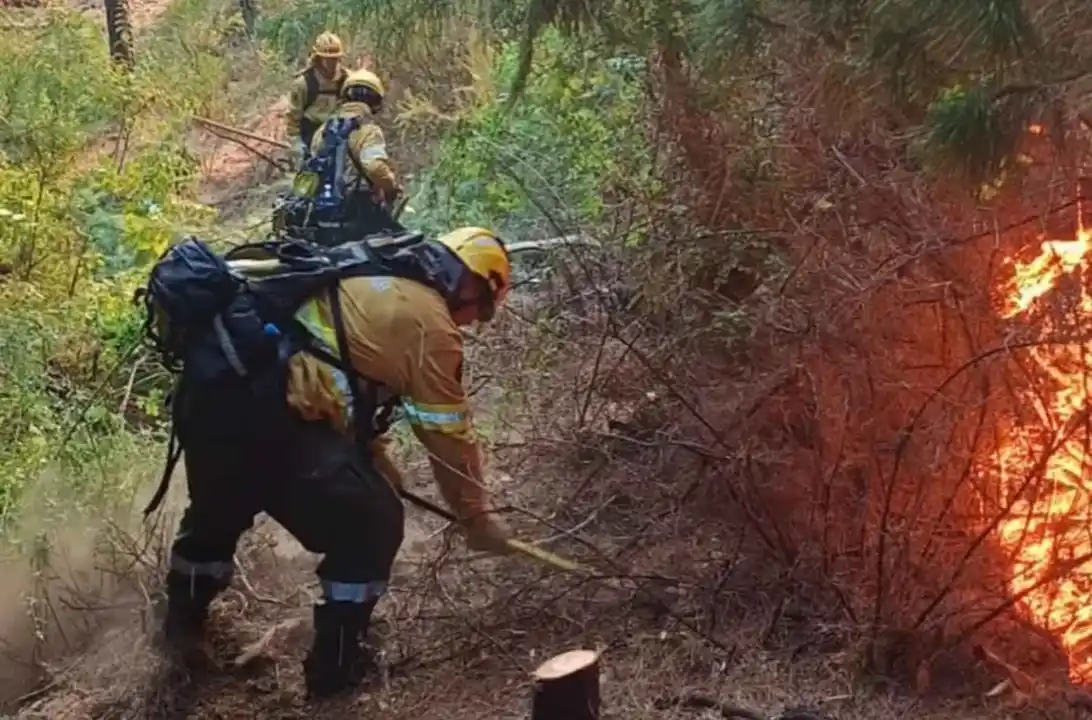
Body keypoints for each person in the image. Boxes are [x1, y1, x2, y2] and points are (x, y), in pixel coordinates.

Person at [157, 227, 514, 699]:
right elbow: (448, 436)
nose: (473, 323)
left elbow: (335, 374)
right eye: (481, 309)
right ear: (470, 283)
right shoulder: (429, 322)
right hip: (272, 415)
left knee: (214, 515)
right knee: (374, 524)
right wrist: (476, 516)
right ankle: (335, 672)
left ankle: (178, 638)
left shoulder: (363, 276)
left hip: (208, 398)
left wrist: (376, 459)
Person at [308, 67, 404, 237]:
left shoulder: (322, 131)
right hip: (359, 220)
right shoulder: (368, 131)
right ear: (376, 102)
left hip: (321, 220)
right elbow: (374, 167)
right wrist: (391, 187)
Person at [286, 31, 349, 166]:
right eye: (328, 59)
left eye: (335, 59)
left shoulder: (348, 80)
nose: (332, 63)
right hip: (310, 134)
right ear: (319, 58)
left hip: (340, 133)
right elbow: (293, 119)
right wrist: (296, 143)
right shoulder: (303, 84)